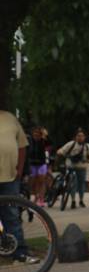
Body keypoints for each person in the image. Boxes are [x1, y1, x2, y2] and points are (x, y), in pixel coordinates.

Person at [0, 108, 37, 263]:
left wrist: (20, 169)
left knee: (12, 215)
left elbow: (22, 145)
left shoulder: (9, 117)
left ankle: (20, 252)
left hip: (10, 177)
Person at [57, 129, 89, 209]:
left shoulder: (87, 146)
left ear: (84, 137)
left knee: (81, 184)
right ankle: (73, 200)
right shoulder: (71, 144)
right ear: (75, 137)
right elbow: (60, 151)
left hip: (82, 167)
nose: (80, 138)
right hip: (71, 167)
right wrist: (62, 154)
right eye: (78, 136)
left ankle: (81, 200)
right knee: (73, 183)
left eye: (82, 136)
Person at [27, 126, 50, 206]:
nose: (36, 134)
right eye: (35, 133)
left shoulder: (43, 141)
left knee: (41, 181)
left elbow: (50, 143)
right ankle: (35, 196)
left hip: (41, 163)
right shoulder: (29, 141)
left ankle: (41, 198)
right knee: (33, 181)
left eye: (38, 133)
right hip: (32, 163)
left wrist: (46, 135)